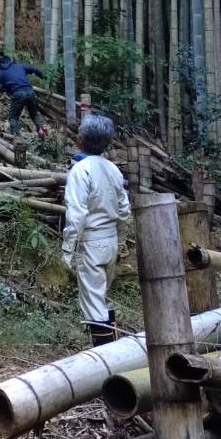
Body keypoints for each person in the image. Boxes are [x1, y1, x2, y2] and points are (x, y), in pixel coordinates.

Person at [61, 112, 131, 347]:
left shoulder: (81, 171)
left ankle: (106, 357)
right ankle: (110, 351)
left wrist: (68, 249)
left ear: (81, 140)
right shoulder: (113, 169)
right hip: (110, 241)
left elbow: (76, 214)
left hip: (90, 243)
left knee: (93, 304)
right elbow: (124, 210)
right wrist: (120, 241)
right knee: (100, 298)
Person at [0, 52, 47, 137]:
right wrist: (43, 76)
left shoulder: (2, 73)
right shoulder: (20, 66)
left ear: (1, 64)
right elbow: (34, 69)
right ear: (10, 61)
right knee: (34, 114)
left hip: (18, 95)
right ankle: (40, 129)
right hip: (30, 92)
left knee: (13, 117)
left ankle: (15, 136)